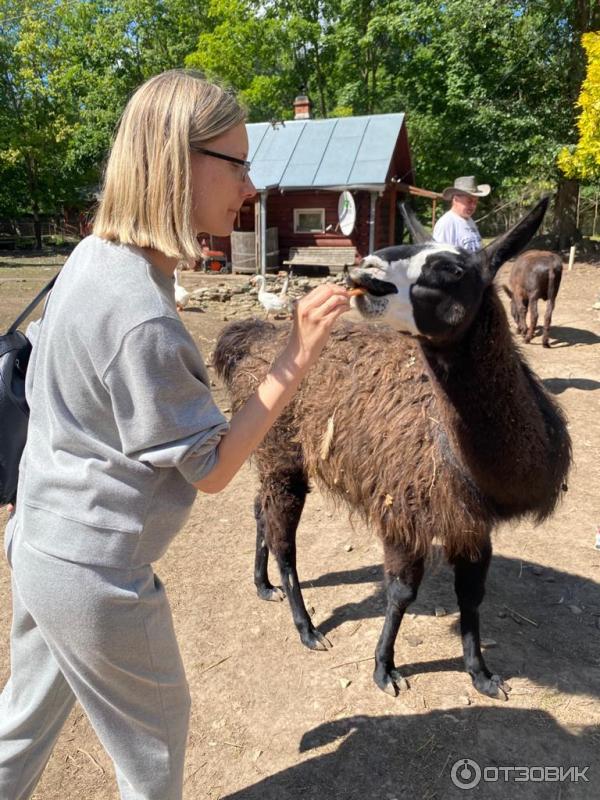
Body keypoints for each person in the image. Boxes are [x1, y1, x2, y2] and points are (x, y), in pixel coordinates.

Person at [0, 69, 351, 800]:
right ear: (177, 160)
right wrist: (298, 351)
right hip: (95, 577)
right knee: (155, 754)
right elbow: (215, 468)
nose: (251, 186)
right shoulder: (141, 315)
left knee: (21, 731)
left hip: (41, 543)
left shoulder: (97, 259)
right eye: (238, 162)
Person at [432, 175, 491, 252]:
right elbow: (439, 258)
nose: (473, 206)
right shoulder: (446, 224)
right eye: (469, 201)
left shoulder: (469, 220)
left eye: (475, 202)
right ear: (456, 200)